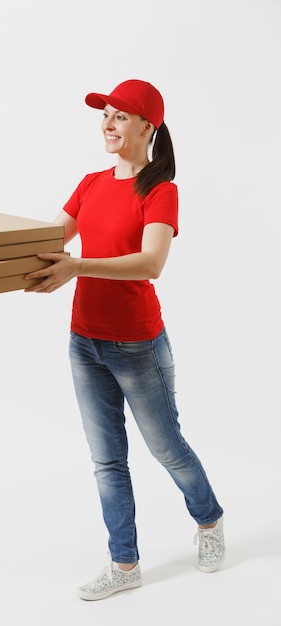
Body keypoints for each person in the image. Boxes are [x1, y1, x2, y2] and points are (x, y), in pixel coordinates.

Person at [24, 79, 225, 601]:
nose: (107, 126)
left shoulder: (159, 190)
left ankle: (209, 521)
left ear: (146, 127)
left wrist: (76, 266)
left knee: (167, 449)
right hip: (84, 341)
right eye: (104, 116)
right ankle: (124, 562)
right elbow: (49, 243)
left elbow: (151, 263)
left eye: (118, 116)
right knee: (107, 460)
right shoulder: (90, 183)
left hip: (137, 344)